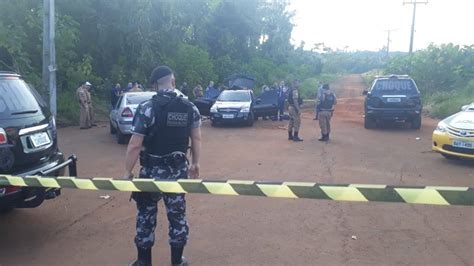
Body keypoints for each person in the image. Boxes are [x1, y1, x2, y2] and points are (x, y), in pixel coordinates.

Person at [123, 65, 201, 266]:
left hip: (150, 173)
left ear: (155, 85)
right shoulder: (189, 107)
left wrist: (127, 171)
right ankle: (177, 261)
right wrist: (195, 163)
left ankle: (143, 261)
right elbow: (197, 139)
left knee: (146, 215)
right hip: (177, 173)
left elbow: (135, 144)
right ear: (173, 82)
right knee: (177, 216)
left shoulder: (148, 107)